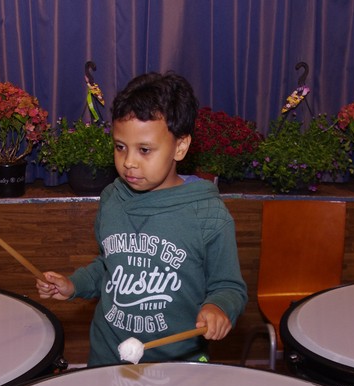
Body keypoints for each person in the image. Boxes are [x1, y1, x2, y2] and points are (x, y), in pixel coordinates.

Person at [36, 72, 247, 365]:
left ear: (180, 147)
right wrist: (74, 285)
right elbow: (108, 266)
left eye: (144, 150)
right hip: (108, 355)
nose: (129, 162)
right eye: (120, 147)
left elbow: (229, 287)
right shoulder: (112, 199)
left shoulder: (209, 215)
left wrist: (219, 307)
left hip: (177, 362)